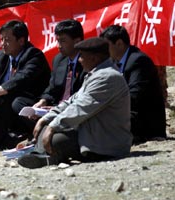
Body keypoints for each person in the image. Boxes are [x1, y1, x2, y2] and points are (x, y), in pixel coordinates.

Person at [18, 37, 132, 169]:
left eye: (82, 56)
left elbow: (80, 108)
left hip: (106, 142)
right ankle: (41, 154)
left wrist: (53, 126)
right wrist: (46, 119)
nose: (79, 60)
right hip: (90, 132)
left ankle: (45, 155)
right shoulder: (95, 74)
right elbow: (71, 101)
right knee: (46, 129)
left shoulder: (108, 77)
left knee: (55, 139)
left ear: (94, 58)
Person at [0, 20, 51, 153]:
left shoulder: (34, 55)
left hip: (27, 105)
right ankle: (1, 138)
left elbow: (18, 81)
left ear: (21, 41)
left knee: (9, 95)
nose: (3, 44)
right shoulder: (3, 56)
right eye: (1, 39)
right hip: (6, 109)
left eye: (7, 40)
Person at [101, 25, 167, 143]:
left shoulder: (138, 61)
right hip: (124, 112)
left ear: (119, 44)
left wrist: (107, 106)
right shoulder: (113, 61)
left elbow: (134, 95)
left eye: (106, 46)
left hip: (143, 122)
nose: (104, 50)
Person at [16, 19, 85, 130]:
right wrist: (42, 102)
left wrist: (57, 108)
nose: (59, 45)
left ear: (77, 41)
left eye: (63, 41)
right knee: (19, 103)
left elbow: (82, 96)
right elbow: (52, 87)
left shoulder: (87, 61)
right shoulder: (59, 60)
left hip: (74, 110)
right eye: (57, 41)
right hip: (55, 106)